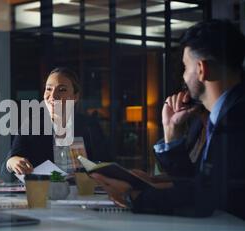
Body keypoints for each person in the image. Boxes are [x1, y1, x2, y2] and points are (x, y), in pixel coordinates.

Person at [91, 20, 245, 219]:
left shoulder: (236, 119)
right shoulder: (224, 114)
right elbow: (200, 185)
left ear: (201, 69)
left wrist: (133, 196)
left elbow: (206, 199)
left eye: (185, 67)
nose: (184, 76)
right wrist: (172, 132)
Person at [2, 67, 111, 180]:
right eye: (48, 89)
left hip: (82, 194)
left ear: (75, 97)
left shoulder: (89, 126)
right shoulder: (31, 125)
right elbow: (6, 170)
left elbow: (106, 166)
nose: (53, 96)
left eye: (62, 90)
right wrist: (11, 162)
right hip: (43, 194)